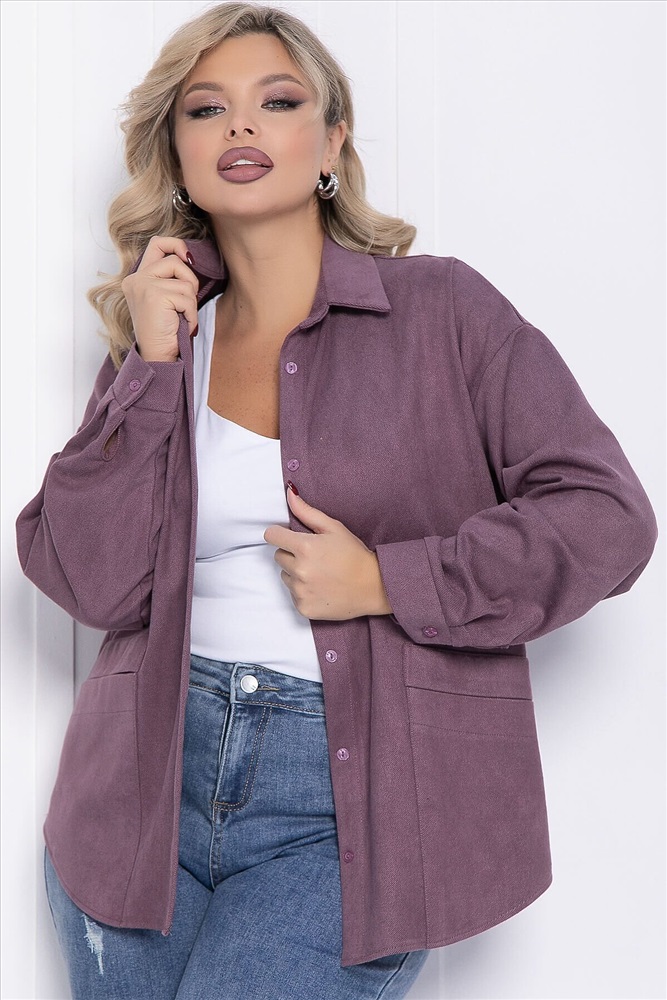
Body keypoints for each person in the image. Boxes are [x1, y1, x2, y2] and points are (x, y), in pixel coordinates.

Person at [15, 3, 658, 999]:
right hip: (139, 792)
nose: (240, 125)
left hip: (349, 801)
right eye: (205, 109)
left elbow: (606, 515)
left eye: (277, 101)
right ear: (174, 155)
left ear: (331, 143)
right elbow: (88, 582)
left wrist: (390, 580)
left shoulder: (442, 312)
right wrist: (148, 366)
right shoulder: (163, 340)